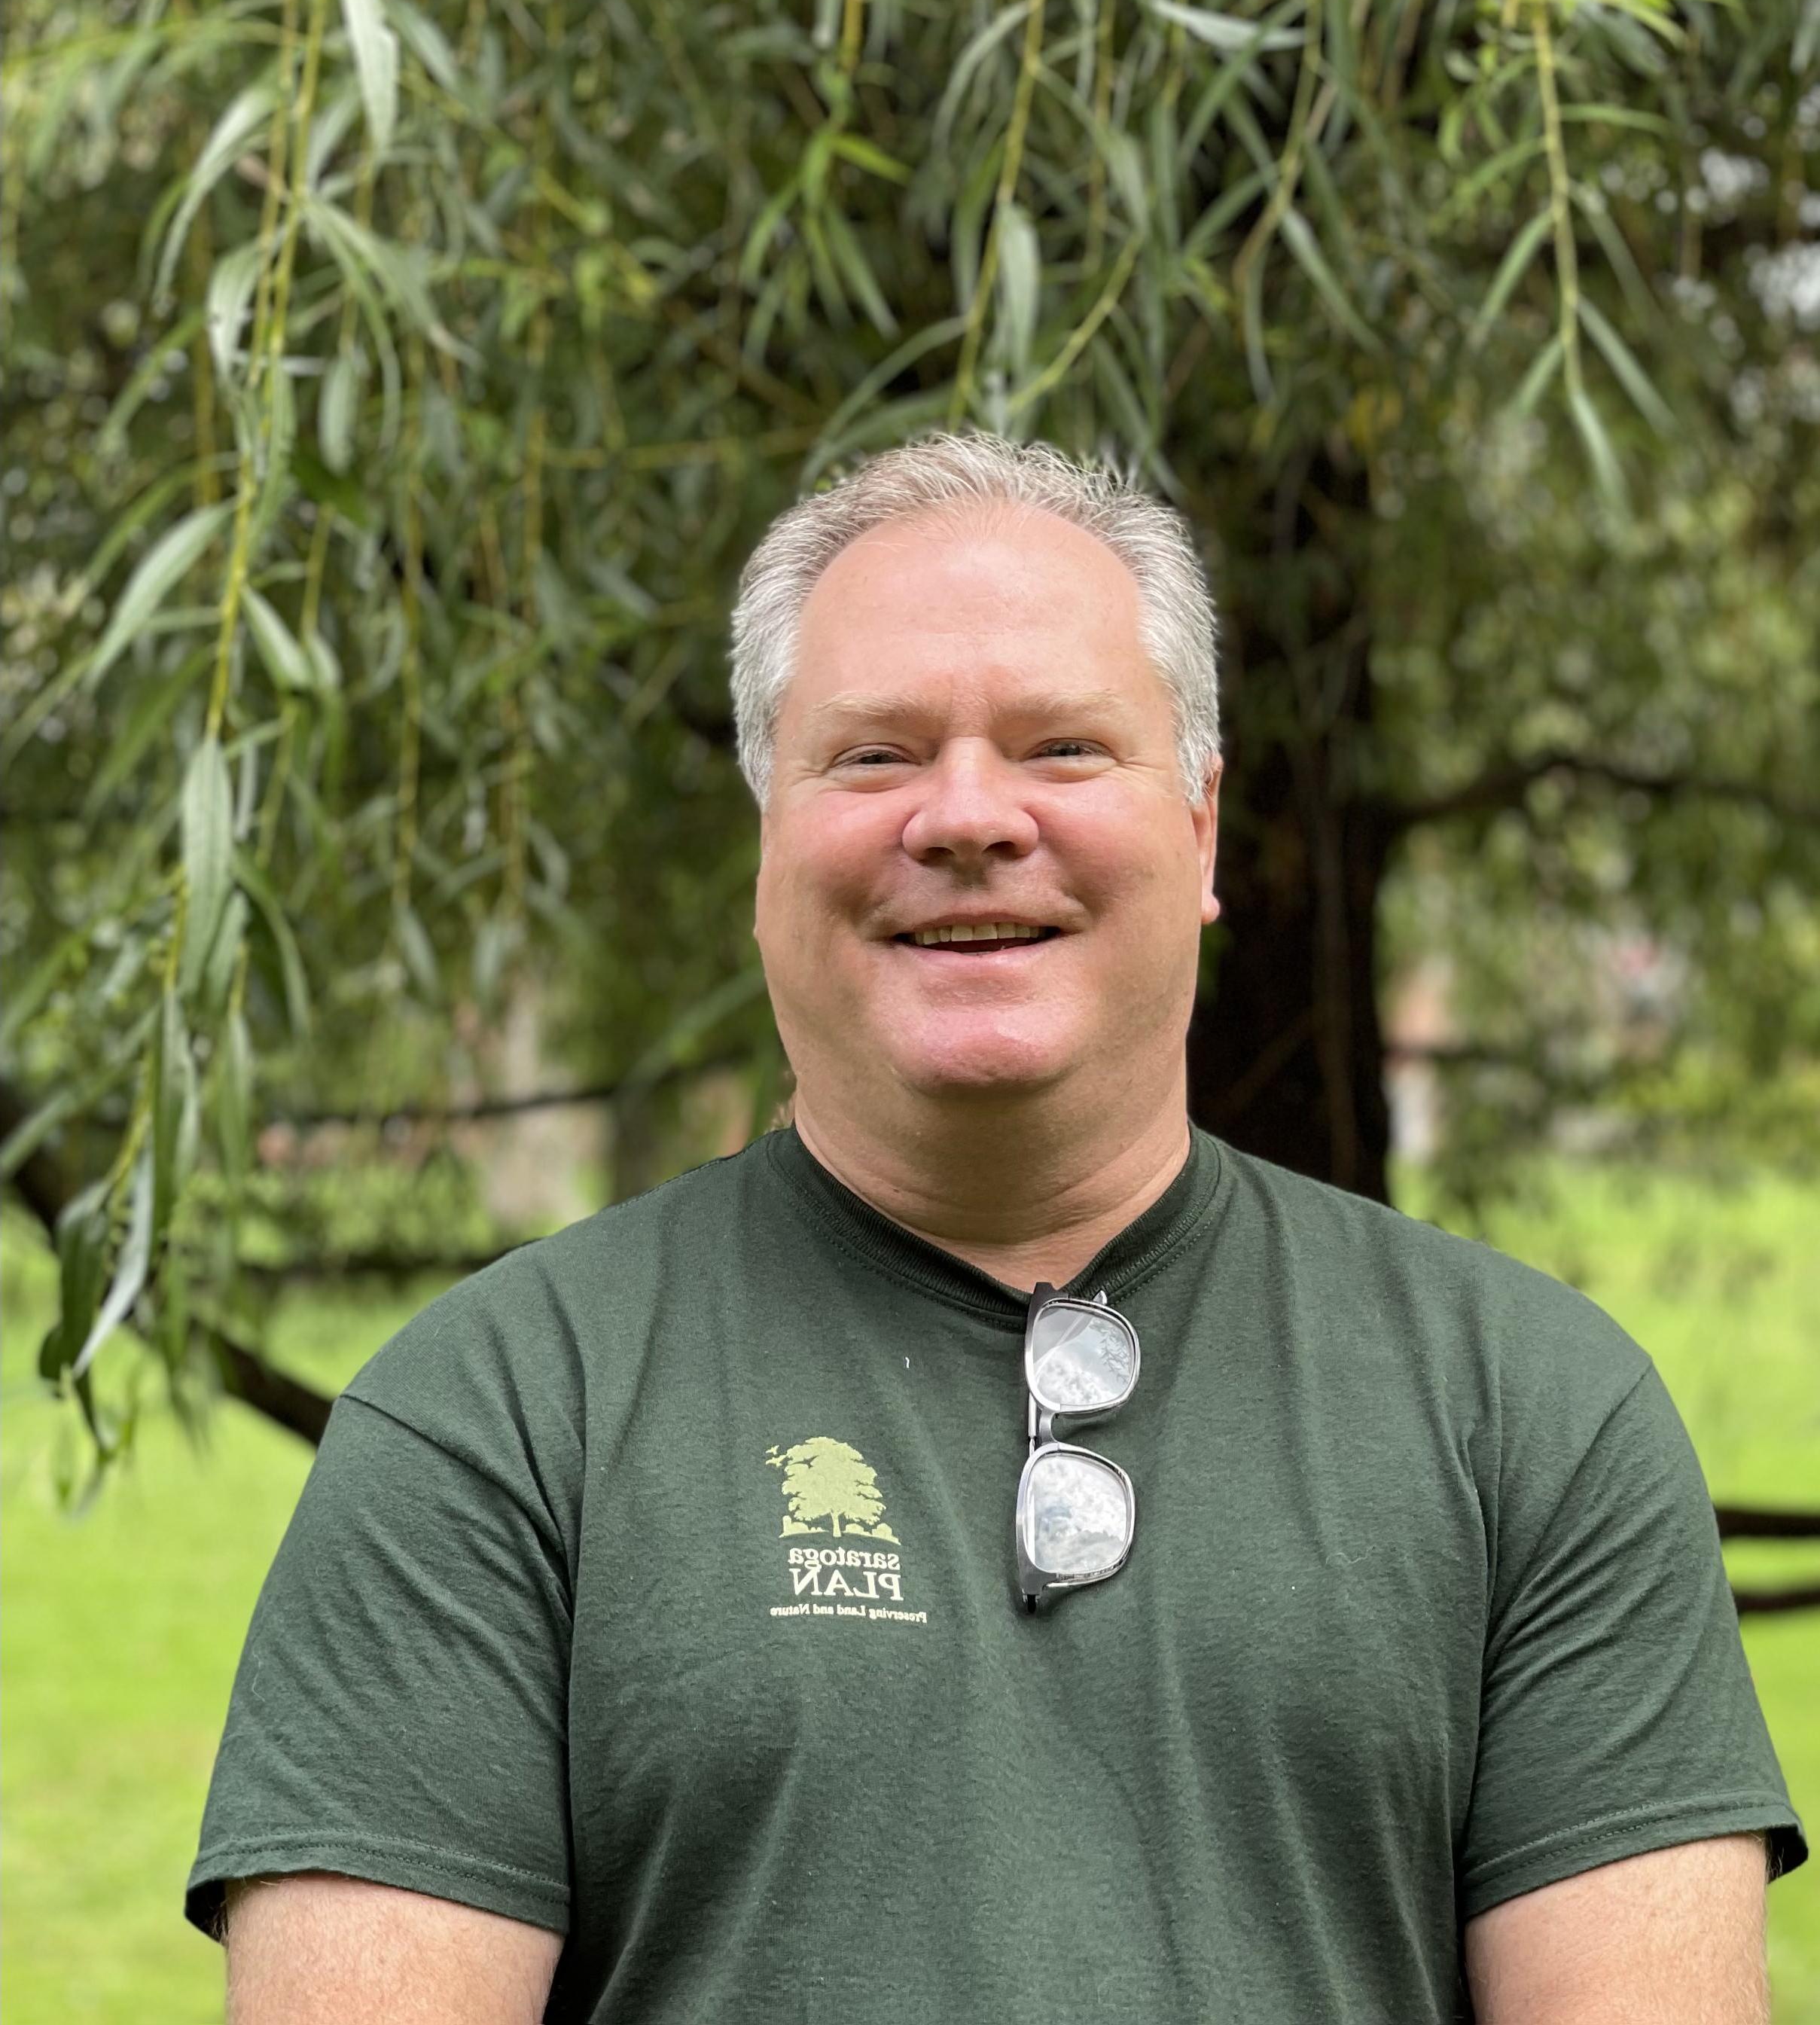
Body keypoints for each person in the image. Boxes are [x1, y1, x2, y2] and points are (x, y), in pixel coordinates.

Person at [190, 433, 1804, 2023]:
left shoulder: (1531, 1410)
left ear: (1201, 827)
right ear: (769, 839)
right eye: (875, 754)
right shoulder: (495, 1417)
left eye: (1062, 747)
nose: (967, 815)